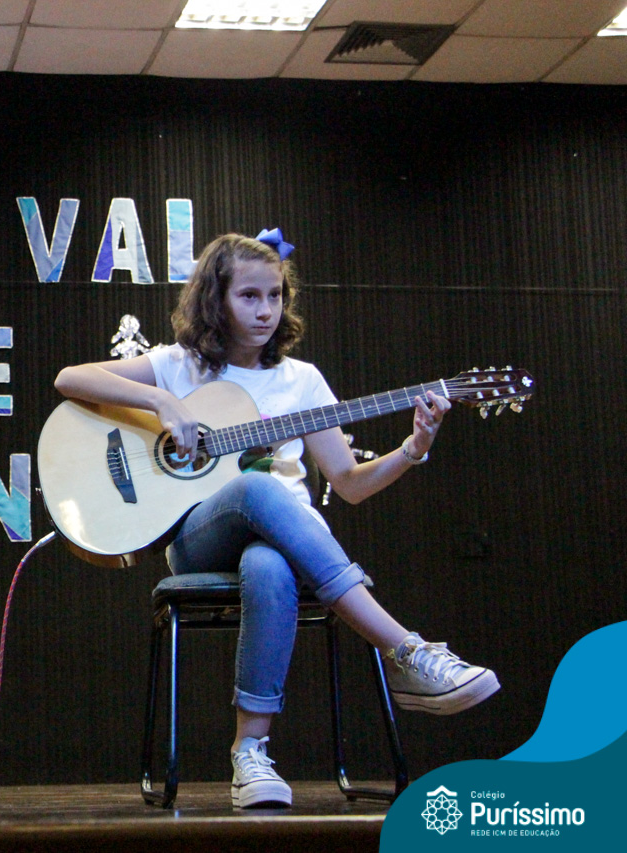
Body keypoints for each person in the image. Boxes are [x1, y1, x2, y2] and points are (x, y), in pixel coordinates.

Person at [53, 229, 499, 810]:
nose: (266, 310)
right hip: (199, 539)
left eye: (275, 296)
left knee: (269, 566)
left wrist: (413, 448)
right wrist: (163, 401)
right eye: (249, 296)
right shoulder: (178, 366)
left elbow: (349, 484)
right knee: (258, 487)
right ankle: (406, 651)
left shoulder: (301, 380)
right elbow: (69, 378)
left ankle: (250, 754)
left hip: (291, 545)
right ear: (215, 299)